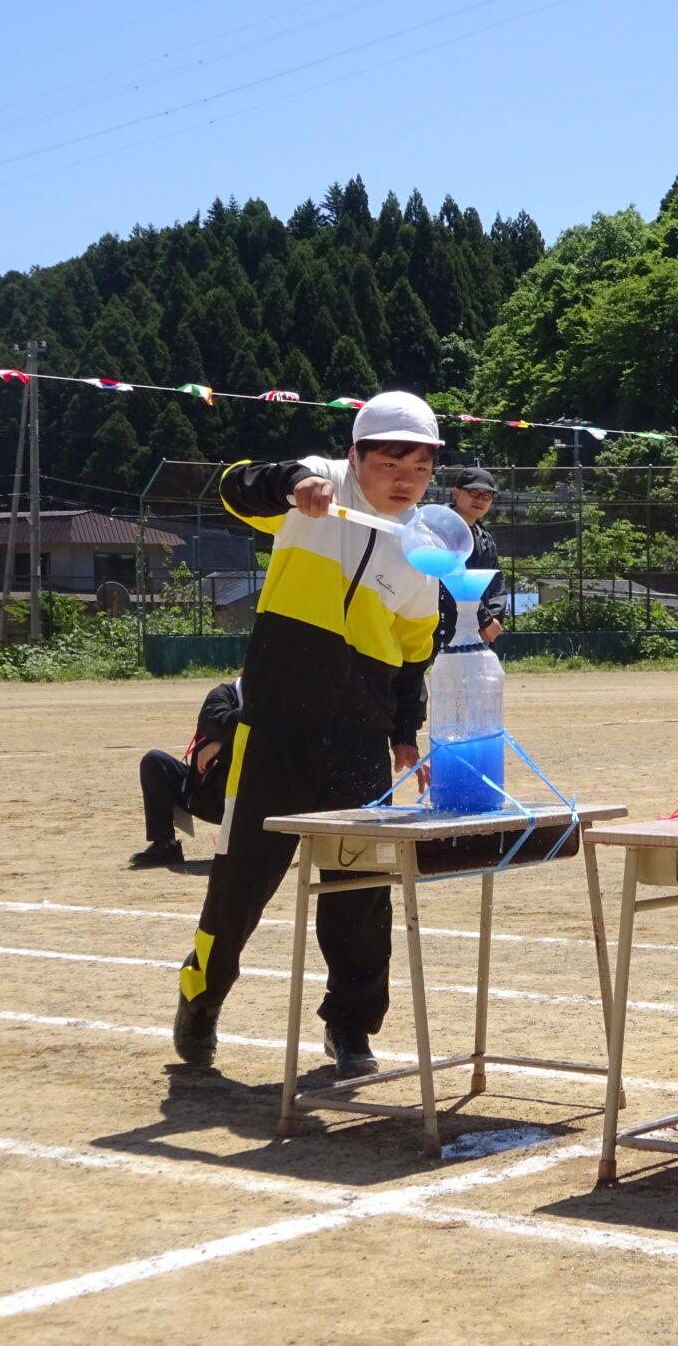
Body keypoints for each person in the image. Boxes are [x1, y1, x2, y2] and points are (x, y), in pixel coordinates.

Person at [171, 391, 442, 1079]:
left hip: (358, 742)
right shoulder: (313, 485)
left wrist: (405, 733)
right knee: (241, 886)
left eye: (422, 465)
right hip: (275, 730)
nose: (406, 477)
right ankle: (200, 1000)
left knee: (361, 893)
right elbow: (237, 485)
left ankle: (350, 1027)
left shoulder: (427, 549)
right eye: (391, 460)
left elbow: (413, 652)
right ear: (357, 456)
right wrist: (295, 484)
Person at [130, 679, 241, 868]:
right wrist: (243, 729)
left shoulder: (272, 705)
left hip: (247, 807)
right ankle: (165, 845)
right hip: (203, 796)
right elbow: (213, 722)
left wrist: (221, 744)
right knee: (154, 761)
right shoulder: (222, 695)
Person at [434, 466, 507, 649]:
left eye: (486, 496)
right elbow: (448, 581)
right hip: (440, 626)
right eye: (474, 493)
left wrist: (493, 621)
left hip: (479, 628)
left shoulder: (484, 536)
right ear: (456, 493)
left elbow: (496, 583)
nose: (480, 500)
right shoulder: (440, 529)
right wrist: (485, 620)